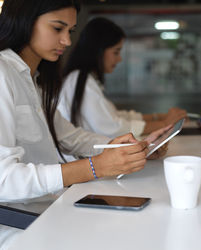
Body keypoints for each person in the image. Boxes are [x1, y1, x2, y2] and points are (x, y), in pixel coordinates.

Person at [0, 1, 153, 248]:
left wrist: (116, 148)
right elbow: (3, 180)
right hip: (20, 225)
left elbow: (70, 137)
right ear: (24, 21)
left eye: (69, 31)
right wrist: (94, 167)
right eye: (57, 28)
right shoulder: (2, 74)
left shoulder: (34, 79)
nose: (66, 41)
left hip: (52, 208)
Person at [58, 17, 187, 139]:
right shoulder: (81, 81)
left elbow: (115, 117)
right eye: (116, 52)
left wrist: (159, 117)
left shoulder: (83, 79)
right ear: (98, 50)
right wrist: (164, 124)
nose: (119, 59)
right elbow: (112, 128)